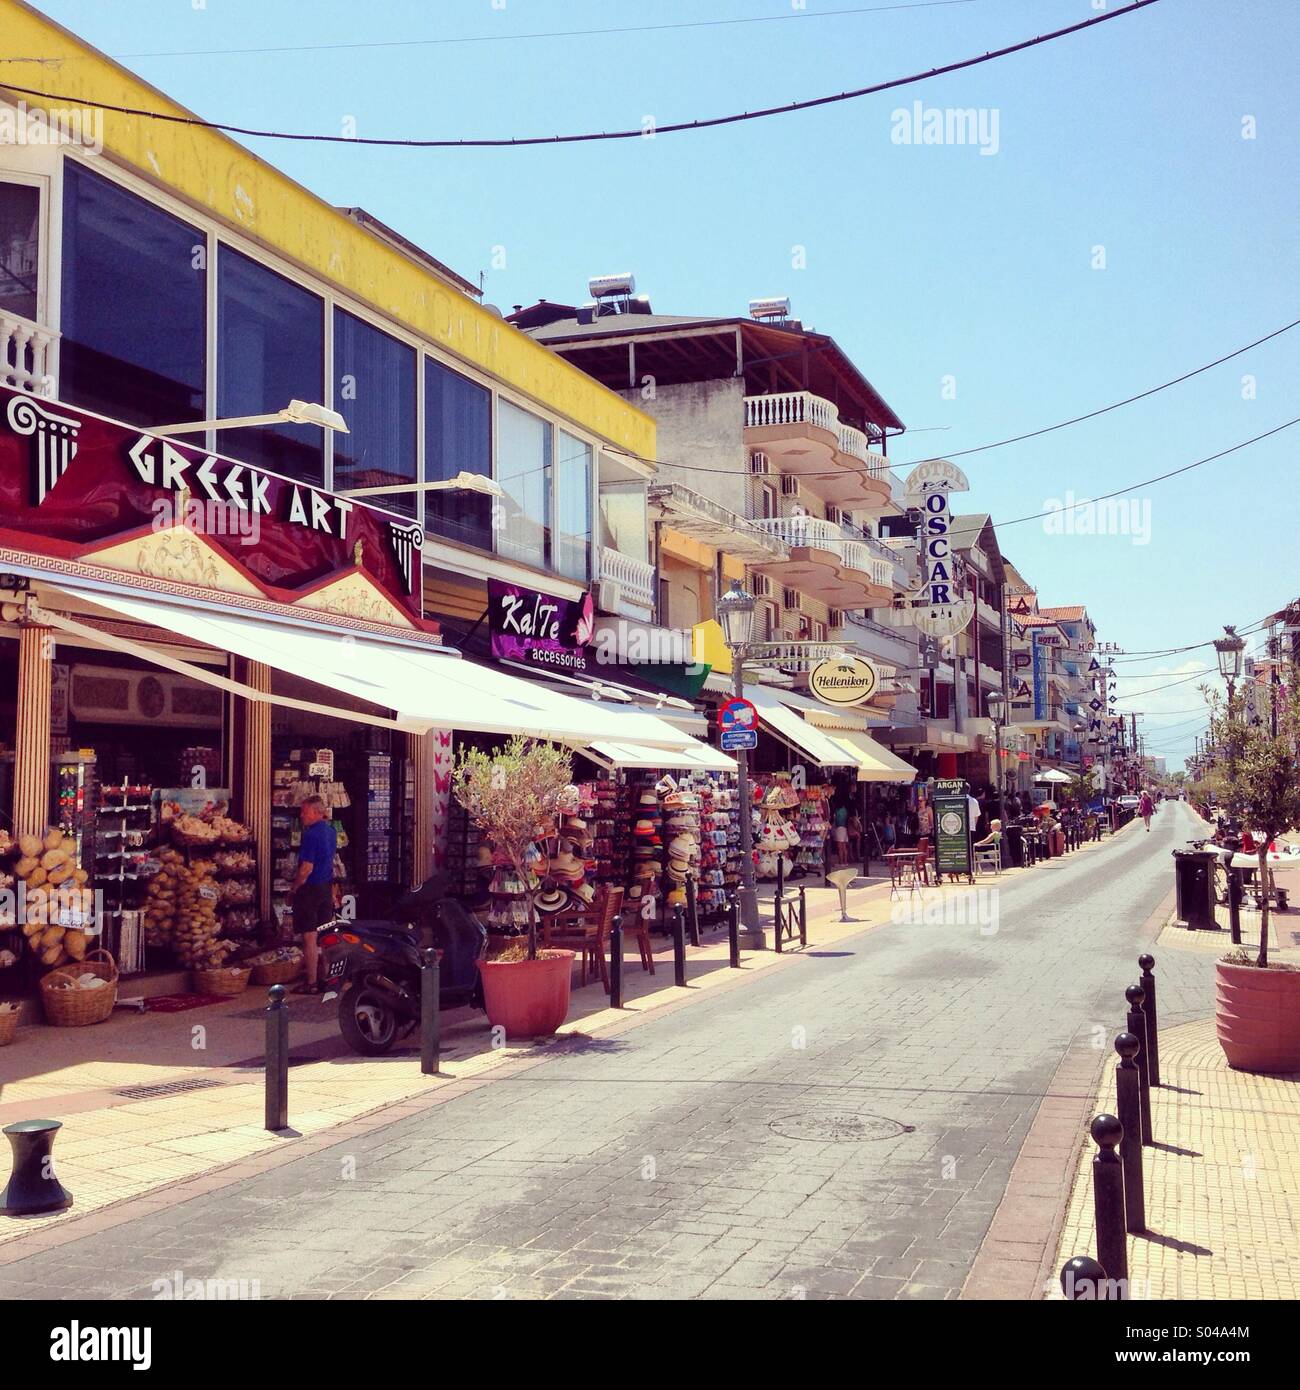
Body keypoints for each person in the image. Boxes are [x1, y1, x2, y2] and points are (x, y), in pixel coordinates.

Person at [292, 794, 338, 993]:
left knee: (309, 937)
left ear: (316, 812)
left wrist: (294, 888)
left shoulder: (310, 835)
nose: (302, 815)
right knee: (325, 936)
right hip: (325, 887)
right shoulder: (331, 831)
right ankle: (327, 977)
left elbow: (306, 869)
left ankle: (311, 983)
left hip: (310, 889)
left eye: (304, 811)